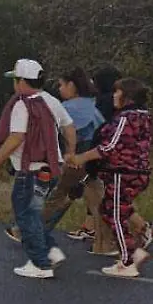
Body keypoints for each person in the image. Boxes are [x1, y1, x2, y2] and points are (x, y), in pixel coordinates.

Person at [0, 59, 77, 279]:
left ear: (22, 81)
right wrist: (70, 152)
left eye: (15, 79)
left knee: (25, 216)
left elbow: (16, 138)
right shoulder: (51, 101)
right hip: (52, 168)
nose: (14, 84)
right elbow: (69, 128)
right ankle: (50, 250)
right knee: (35, 214)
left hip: (30, 171)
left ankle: (40, 263)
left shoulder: (22, 105)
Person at [69, 78, 153, 278]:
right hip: (137, 171)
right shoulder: (144, 116)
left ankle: (127, 261)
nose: (114, 96)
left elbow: (109, 147)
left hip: (122, 173)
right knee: (109, 209)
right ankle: (134, 251)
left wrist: (81, 157)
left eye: (118, 92)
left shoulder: (125, 117)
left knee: (115, 215)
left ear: (128, 96)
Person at [45, 69, 106, 242]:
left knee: (59, 194)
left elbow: (61, 131)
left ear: (72, 85)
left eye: (61, 85)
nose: (60, 89)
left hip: (79, 157)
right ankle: (109, 240)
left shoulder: (70, 108)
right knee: (97, 199)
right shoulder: (92, 105)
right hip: (95, 159)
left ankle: (33, 230)